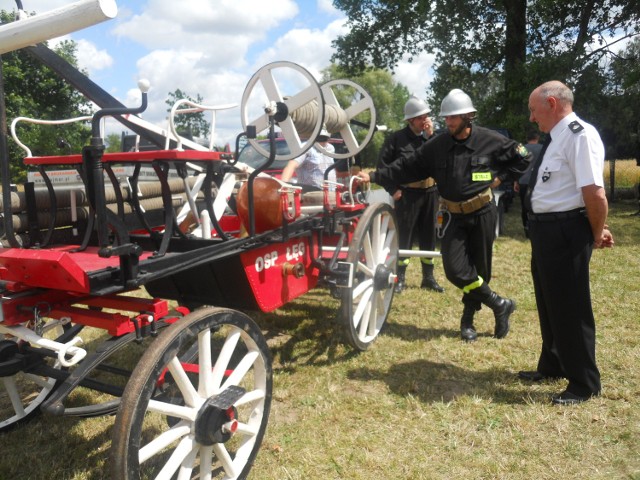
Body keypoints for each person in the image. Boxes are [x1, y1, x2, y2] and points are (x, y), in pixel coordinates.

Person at [358, 89, 530, 341]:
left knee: (480, 270)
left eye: (453, 118)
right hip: (453, 215)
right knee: (454, 269)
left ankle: (467, 321)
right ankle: (500, 304)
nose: (448, 122)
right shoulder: (437, 145)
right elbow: (405, 166)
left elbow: (524, 157)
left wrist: (501, 178)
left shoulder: (489, 140)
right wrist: (373, 176)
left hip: (483, 212)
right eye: (446, 118)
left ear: (468, 116)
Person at [519, 80, 614, 405]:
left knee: (571, 306)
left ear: (551, 103)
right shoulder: (556, 138)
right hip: (546, 231)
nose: (532, 118)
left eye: (534, 110)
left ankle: (584, 383)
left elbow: (594, 194)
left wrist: (596, 231)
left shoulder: (579, 135)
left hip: (565, 231)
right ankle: (554, 363)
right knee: (549, 301)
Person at [377, 96, 444, 294]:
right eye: (421, 117)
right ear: (410, 120)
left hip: (430, 192)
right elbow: (382, 168)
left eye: (427, 116)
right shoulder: (396, 139)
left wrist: (431, 137)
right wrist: (393, 189)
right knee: (404, 236)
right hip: (407, 194)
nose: (426, 120)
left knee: (429, 235)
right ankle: (400, 277)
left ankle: (428, 277)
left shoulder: (433, 138)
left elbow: (441, 160)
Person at [513, 129, 543, 237]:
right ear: (538, 138)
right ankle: (537, 227)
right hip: (537, 181)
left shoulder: (521, 148)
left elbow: (517, 165)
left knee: (524, 205)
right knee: (537, 205)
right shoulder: (543, 148)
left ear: (527, 138)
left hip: (523, 180)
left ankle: (526, 228)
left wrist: (516, 181)